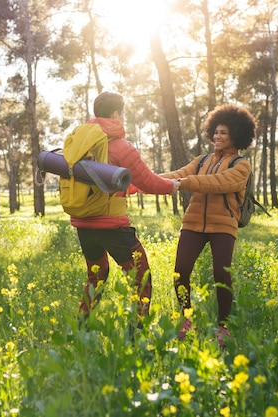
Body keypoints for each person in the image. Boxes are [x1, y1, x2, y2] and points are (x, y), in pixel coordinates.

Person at [72, 91, 180, 330]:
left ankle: (81, 330)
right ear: (115, 114)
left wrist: (130, 188)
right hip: (112, 226)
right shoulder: (122, 147)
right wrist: (172, 187)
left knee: (96, 277)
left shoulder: (82, 144)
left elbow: (101, 182)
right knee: (141, 278)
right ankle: (136, 334)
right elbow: (150, 181)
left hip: (83, 224)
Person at [160, 104, 256, 347]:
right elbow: (178, 174)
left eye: (223, 133)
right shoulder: (202, 160)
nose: (217, 137)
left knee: (221, 275)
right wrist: (147, 181)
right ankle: (186, 319)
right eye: (215, 132)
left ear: (236, 135)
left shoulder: (240, 165)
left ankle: (224, 326)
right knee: (180, 271)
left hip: (223, 224)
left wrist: (185, 183)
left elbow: (218, 183)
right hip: (193, 222)